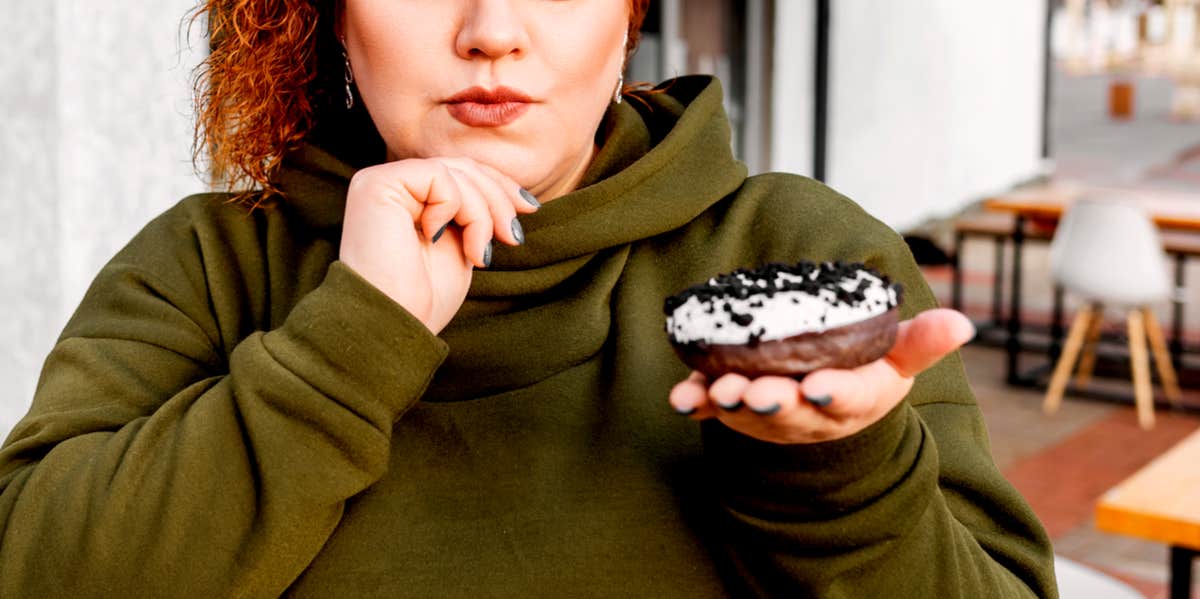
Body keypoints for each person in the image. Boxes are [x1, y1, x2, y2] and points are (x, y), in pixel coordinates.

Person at [0, 1, 1057, 597]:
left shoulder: (792, 253)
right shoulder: (209, 263)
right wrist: (344, 346)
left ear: (632, 12)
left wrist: (846, 476)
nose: (493, 29)